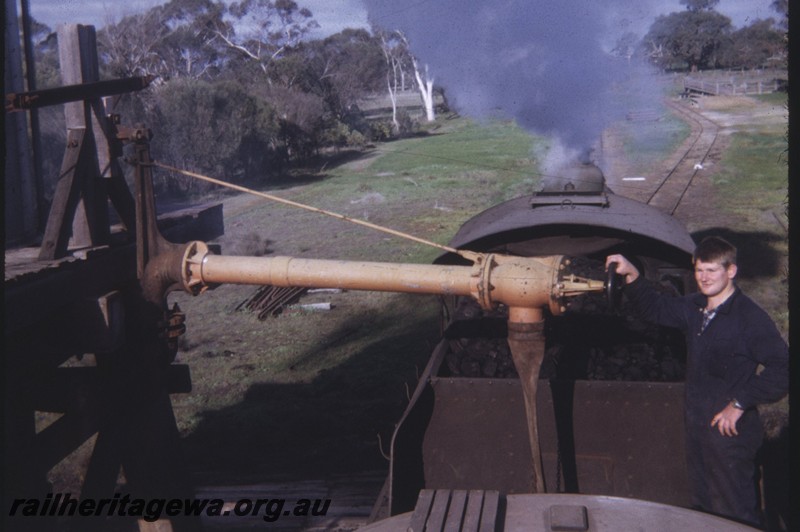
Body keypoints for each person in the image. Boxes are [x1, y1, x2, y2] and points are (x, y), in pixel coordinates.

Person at [605, 236, 788, 528]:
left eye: (712, 270)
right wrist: (632, 275)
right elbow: (657, 309)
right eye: (699, 270)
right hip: (698, 429)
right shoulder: (695, 307)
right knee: (703, 511)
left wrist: (740, 403)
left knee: (735, 514)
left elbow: (784, 367)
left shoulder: (749, 318)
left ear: (731, 271)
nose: (703, 278)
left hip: (731, 436)